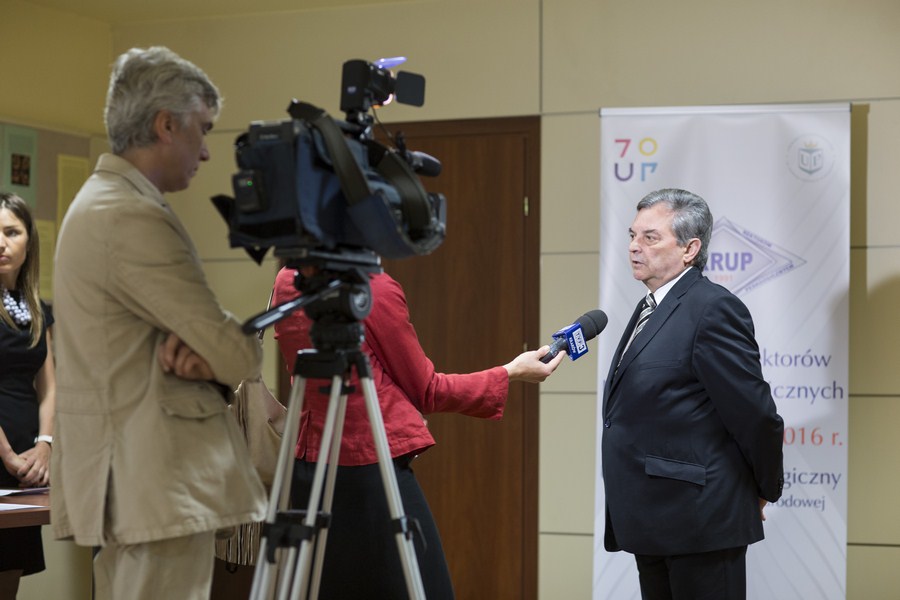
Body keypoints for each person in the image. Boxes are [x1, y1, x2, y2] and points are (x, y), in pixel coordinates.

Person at [51, 46, 266, 600]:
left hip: (137, 475)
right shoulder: (129, 214)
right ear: (166, 125)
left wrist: (210, 358)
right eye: (203, 129)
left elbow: (206, 347)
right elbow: (236, 352)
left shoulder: (104, 202)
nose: (207, 151)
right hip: (153, 475)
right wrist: (225, 356)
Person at [271, 265, 564, 599]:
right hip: (371, 470)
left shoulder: (286, 280)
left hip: (310, 467)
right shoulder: (371, 288)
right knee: (427, 589)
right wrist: (510, 372)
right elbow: (428, 390)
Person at [601, 188, 785, 600]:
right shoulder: (651, 306)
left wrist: (763, 488)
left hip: (700, 519)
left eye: (650, 237)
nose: (634, 247)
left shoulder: (712, 309)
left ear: (690, 249)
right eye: (632, 235)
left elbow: (755, 416)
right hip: (652, 518)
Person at [0, 192, 55, 597]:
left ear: (29, 241)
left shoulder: (36, 307)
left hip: (26, 466)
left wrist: (45, 445)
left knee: (9, 573)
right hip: (7, 456)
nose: (1, 243)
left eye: (11, 232)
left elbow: (50, 385)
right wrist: (7, 455)